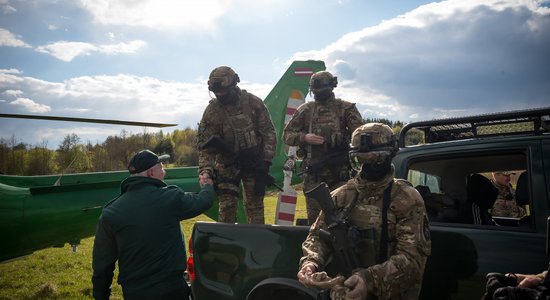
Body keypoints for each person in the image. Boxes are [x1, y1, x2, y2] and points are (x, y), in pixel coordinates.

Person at [297, 123, 431, 300]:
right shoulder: (341, 196)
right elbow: (317, 236)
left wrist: (368, 279)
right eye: (360, 160)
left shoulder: (407, 199)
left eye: (376, 160)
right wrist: (311, 263)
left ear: (390, 156)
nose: (367, 168)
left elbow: (412, 260)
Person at [92, 149, 214, 300]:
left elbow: (102, 265)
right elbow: (203, 201)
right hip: (172, 292)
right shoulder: (170, 198)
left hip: (134, 293)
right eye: (161, 167)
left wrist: (100, 296)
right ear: (151, 173)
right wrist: (207, 184)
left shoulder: (110, 212)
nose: (164, 172)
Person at [196, 65, 276, 224]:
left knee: (255, 207)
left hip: (254, 164)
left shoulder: (253, 103)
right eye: (217, 94)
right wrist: (205, 171)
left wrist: (265, 162)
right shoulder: (212, 111)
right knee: (226, 208)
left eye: (224, 93)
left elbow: (268, 132)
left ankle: (256, 244)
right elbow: (206, 147)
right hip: (227, 165)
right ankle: (228, 245)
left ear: (234, 85)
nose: (221, 96)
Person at [283, 70, 363, 225]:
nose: (318, 95)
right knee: (316, 224)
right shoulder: (306, 110)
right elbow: (287, 135)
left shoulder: (346, 108)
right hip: (315, 176)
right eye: (315, 92)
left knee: (342, 221)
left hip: (341, 175)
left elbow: (361, 136)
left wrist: (344, 143)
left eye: (321, 91)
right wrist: (304, 137)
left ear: (332, 88)